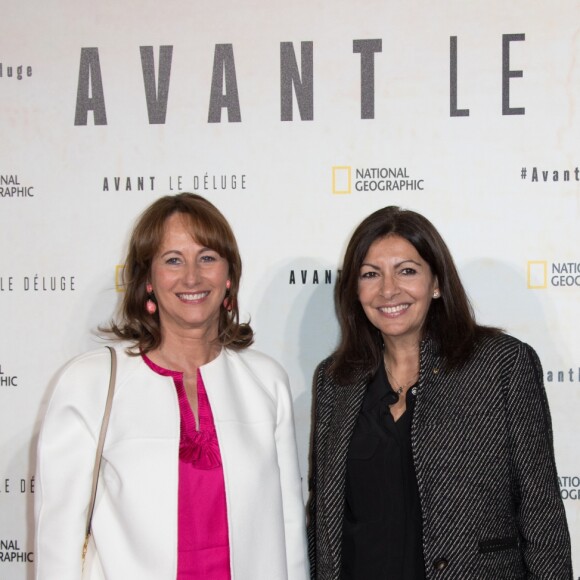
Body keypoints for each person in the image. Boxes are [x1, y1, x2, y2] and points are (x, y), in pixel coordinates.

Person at [35, 192, 309, 580]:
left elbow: (287, 535)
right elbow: (58, 542)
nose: (192, 277)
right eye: (173, 260)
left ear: (229, 276)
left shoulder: (266, 383)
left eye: (208, 258)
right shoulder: (89, 385)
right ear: (148, 280)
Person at [307, 206, 572, 580]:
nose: (388, 289)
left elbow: (540, 510)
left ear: (435, 283)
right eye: (370, 274)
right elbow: (324, 517)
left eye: (407, 271)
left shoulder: (501, 365)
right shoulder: (335, 381)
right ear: (354, 290)